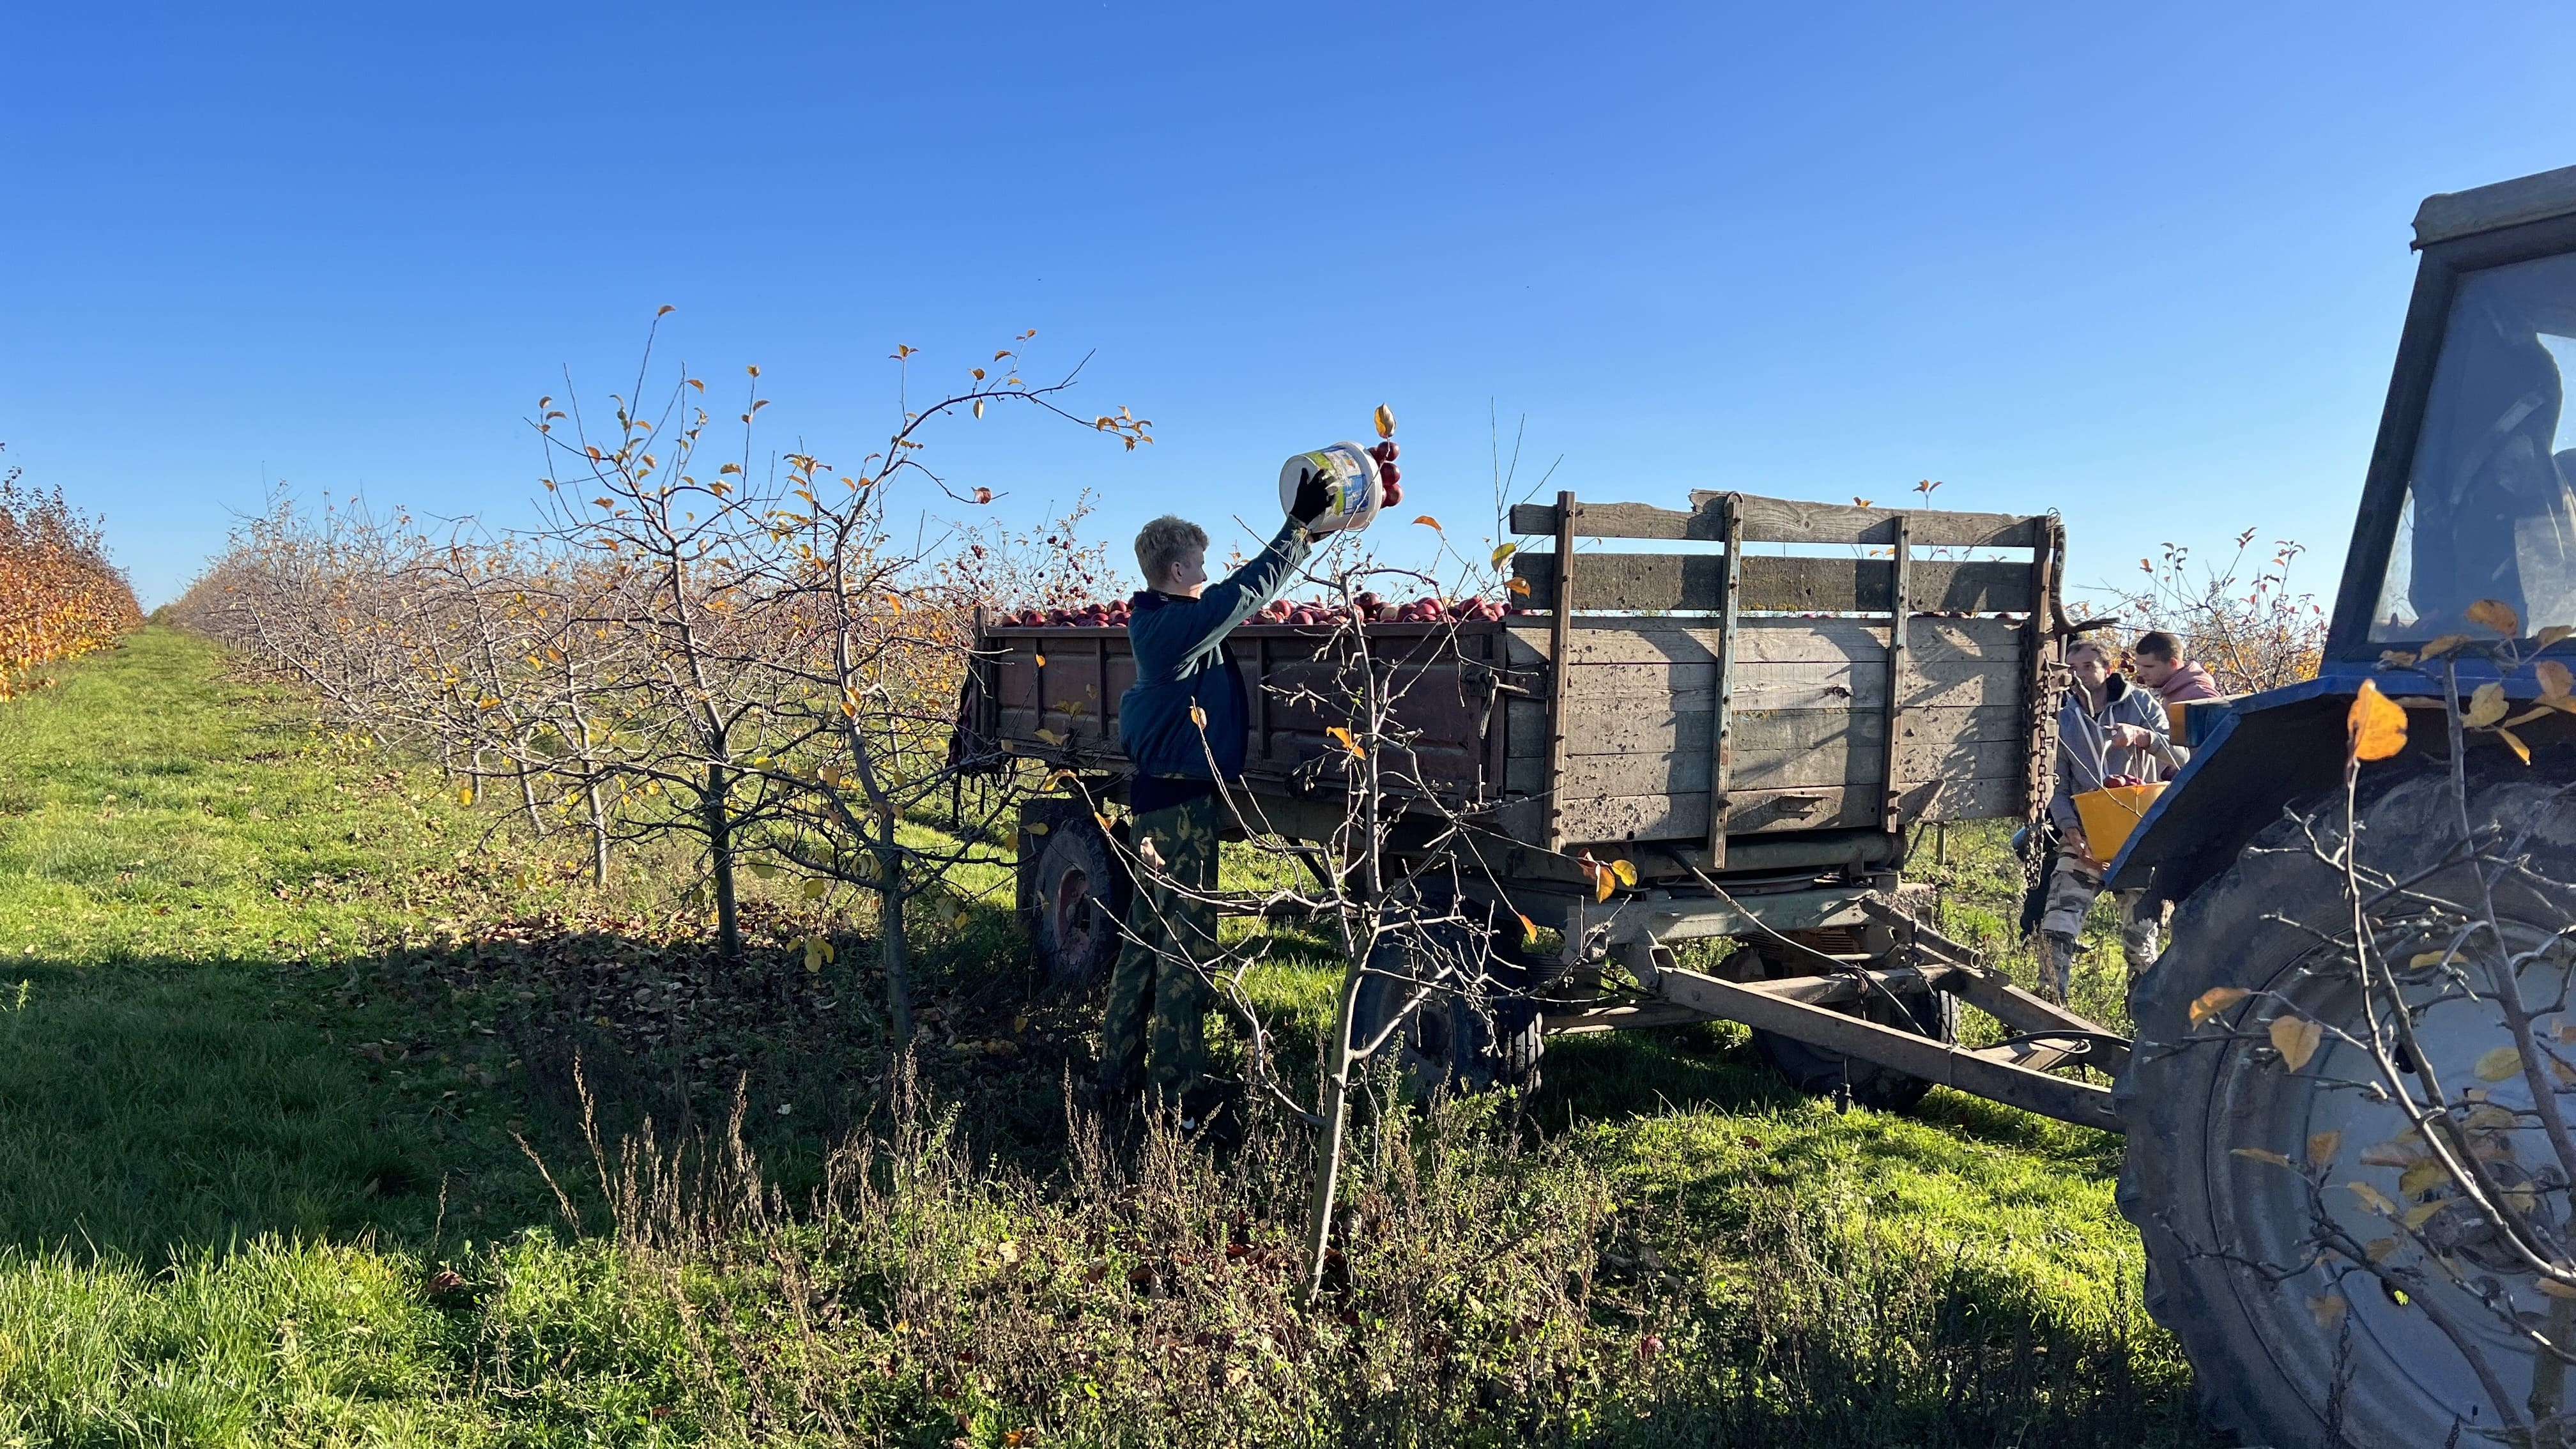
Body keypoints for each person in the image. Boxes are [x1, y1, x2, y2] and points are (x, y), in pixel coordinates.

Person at [1096, 470, 1336, 1130]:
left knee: (1146, 938)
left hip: (1160, 803)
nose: (1207, 571)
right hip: (1179, 811)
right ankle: (1175, 1100)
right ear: (1177, 569)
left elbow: (1226, 603)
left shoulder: (1164, 623)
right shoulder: (1173, 629)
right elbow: (1244, 594)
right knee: (1186, 948)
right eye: (1199, 563)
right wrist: (1298, 532)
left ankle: (1115, 1074)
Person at [2039, 636, 2184, 1001]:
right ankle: (2051, 1007)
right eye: (2073, 669)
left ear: (2108, 669)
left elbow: (2181, 757)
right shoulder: (2063, 716)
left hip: (2138, 835)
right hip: (2087, 833)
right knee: (2057, 924)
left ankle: (2141, 1013)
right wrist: (2071, 832)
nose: (2080, 676)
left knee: (2141, 941)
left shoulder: (2141, 704)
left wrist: (2142, 737)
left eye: (2089, 666)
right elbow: (2057, 784)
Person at [2131, 630, 2220, 703]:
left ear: (2173, 663)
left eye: (2149, 667)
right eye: (2139, 666)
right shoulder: (2170, 692)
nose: (2142, 673)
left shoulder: (2199, 695)